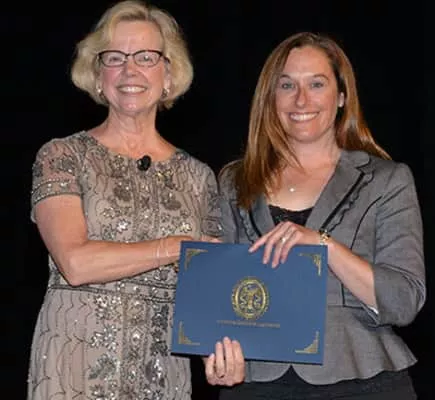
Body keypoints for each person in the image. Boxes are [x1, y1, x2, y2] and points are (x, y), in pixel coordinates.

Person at [207, 32, 425, 399]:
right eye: (287, 85)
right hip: (256, 383)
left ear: (341, 96)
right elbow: (217, 292)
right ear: (270, 98)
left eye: (317, 84)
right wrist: (215, 353)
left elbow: (404, 300)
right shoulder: (233, 180)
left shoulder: (388, 180)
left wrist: (324, 246)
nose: (301, 99)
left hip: (363, 381)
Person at [27, 1, 223, 399]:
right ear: (97, 75)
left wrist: (219, 353)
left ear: (169, 74)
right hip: (74, 369)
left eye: (146, 57)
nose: (130, 70)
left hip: (162, 376)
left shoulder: (200, 178)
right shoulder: (62, 156)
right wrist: (174, 248)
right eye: (115, 57)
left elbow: (208, 294)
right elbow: (76, 263)